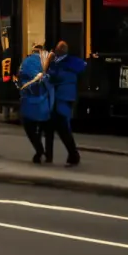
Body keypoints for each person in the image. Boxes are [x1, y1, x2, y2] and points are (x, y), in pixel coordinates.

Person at [48, 35, 85, 169]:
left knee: (61, 126)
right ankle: (68, 154)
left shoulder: (60, 65)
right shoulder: (73, 64)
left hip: (61, 98)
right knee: (60, 125)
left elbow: (55, 78)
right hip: (66, 97)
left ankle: (72, 154)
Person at [16, 45, 56, 163]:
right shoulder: (48, 62)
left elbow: (20, 81)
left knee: (30, 128)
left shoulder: (25, 62)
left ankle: (39, 151)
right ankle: (49, 155)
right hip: (47, 103)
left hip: (30, 102)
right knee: (48, 130)